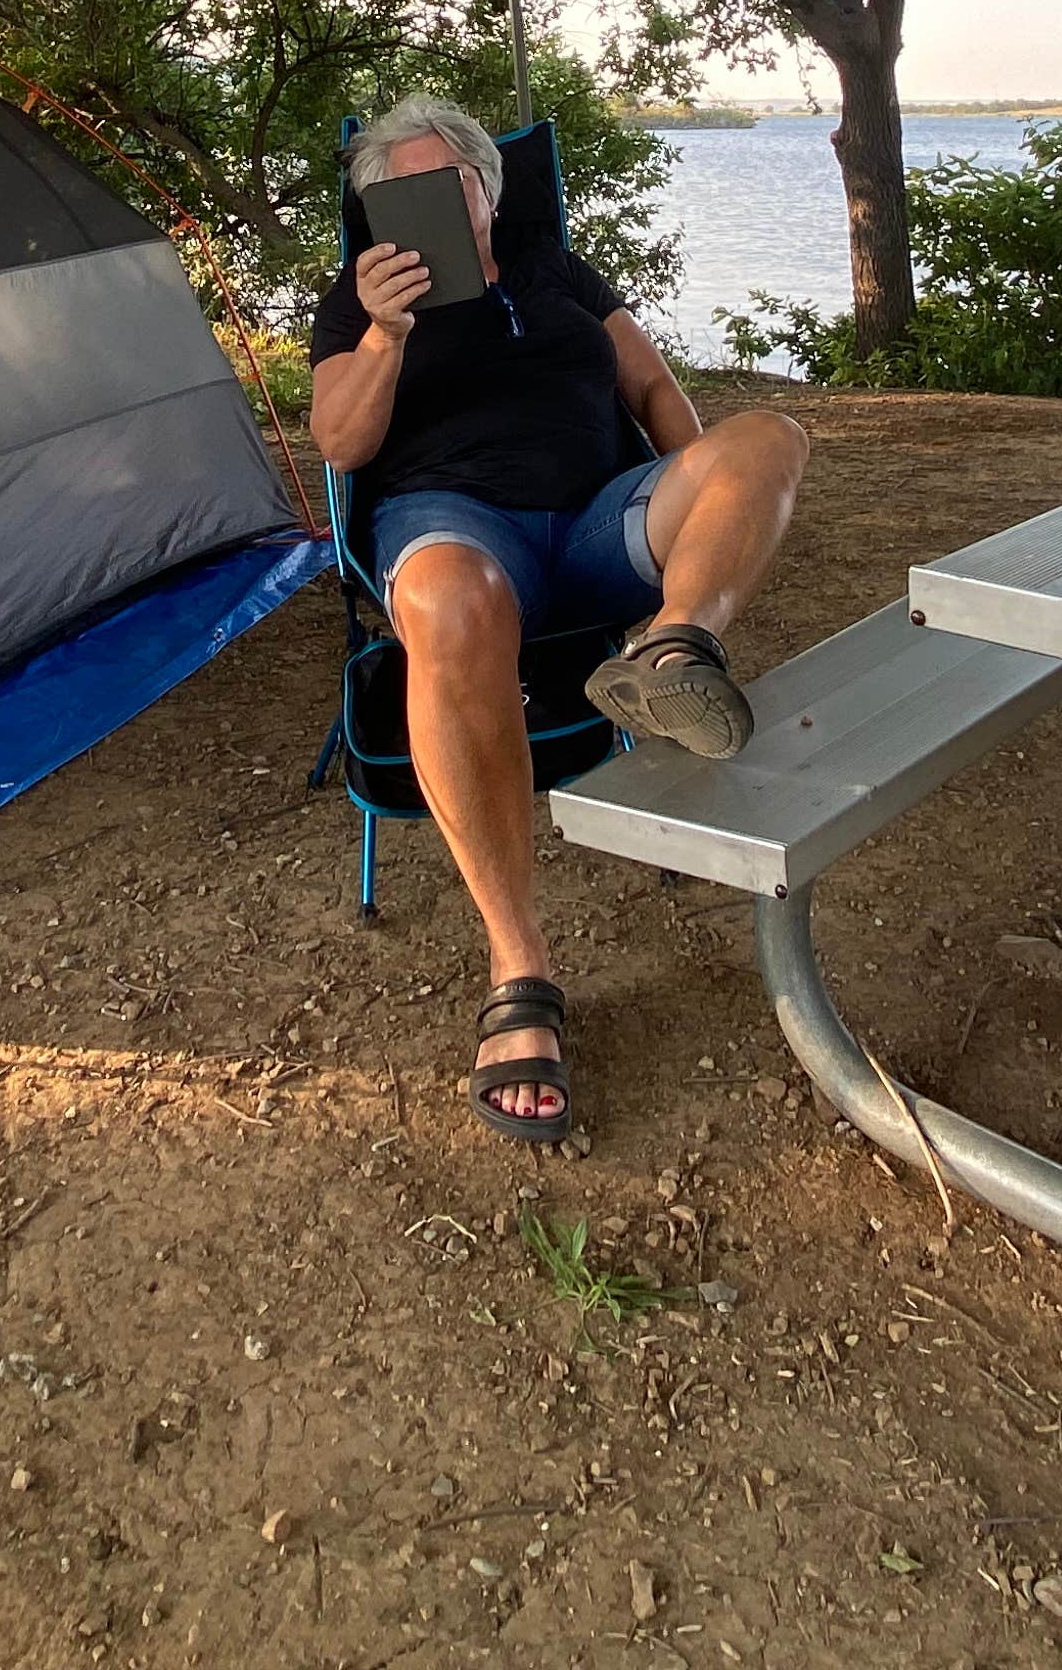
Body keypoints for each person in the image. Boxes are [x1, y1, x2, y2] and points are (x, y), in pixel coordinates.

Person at [308, 93, 808, 1148]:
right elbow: (345, 446)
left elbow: (654, 384)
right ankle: (518, 962)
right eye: (405, 190)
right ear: (379, 209)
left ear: (490, 190)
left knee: (769, 440)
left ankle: (675, 642)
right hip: (453, 525)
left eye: (455, 182)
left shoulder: (556, 272)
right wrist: (390, 335)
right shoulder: (355, 303)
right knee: (454, 598)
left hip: (592, 525)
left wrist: (696, 481)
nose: (437, 202)